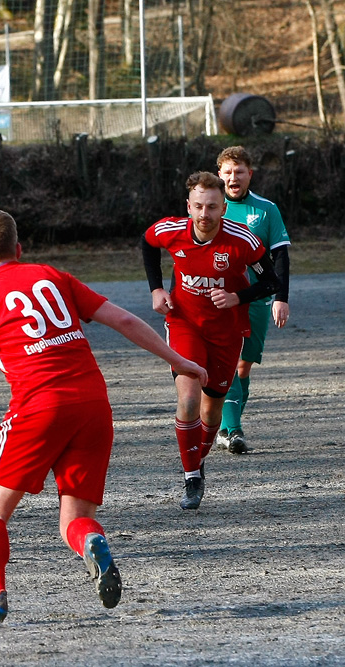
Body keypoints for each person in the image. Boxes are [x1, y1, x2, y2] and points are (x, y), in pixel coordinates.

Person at [0, 209, 207, 626]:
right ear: (19, 249)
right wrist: (182, 362)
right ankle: (92, 542)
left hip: (37, 407)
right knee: (75, 518)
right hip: (93, 404)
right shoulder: (54, 276)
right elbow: (122, 319)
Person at [142, 172, 282, 511]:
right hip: (184, 324)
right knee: (188, 399)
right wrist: (157, 288)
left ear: (223, 209)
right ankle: (192, 477)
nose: (205, 215)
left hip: (227, 331)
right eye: (199, 207)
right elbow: (147, 243)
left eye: (213, 207)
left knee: (211, 411)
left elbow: (270, 282)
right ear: (188, 206)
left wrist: (237, 296)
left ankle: (198, 457)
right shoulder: (170, 230)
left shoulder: (243, 240)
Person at [214, 146, 291, 454]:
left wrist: (280, 298)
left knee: (244, 364)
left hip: (257, 298)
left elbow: (281, 255)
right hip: (219, 299)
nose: (234, 177)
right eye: (228, 172)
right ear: (220, 174)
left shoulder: (266, 209)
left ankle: (223, 426)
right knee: (228, 361)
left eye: (240, 172)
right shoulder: (209, 207)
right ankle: (233, 430)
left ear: (250, 175)